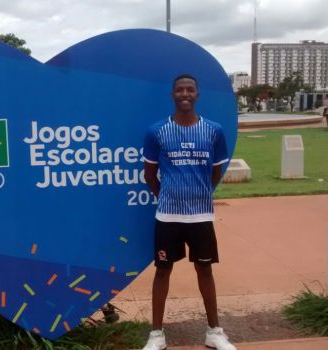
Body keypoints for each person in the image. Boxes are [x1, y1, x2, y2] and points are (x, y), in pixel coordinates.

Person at [142, 74, 236, 350]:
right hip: (168, 217)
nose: (185, 93)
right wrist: (168, 197)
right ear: (173, 95)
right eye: (180, 89)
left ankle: (214, 332)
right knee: (162, 271)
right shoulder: (156, 131)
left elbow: (215, 172)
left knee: (204, 270)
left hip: (200, 217)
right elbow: (150, 175)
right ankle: (156, 335)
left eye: (190, 89)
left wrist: (199, 195)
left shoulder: (214, 131)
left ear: (197, 95)